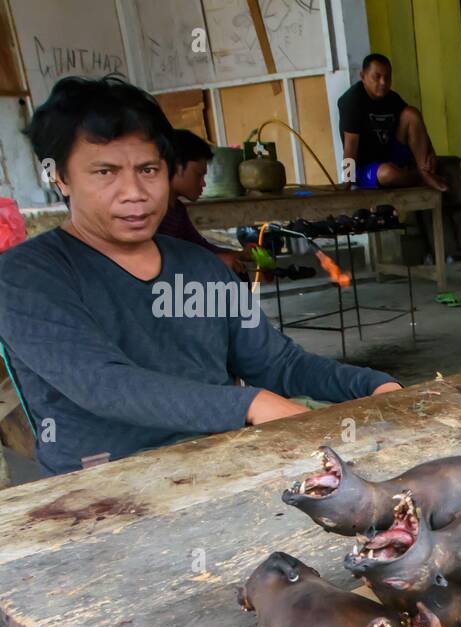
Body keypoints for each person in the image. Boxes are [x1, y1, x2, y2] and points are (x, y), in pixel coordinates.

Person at [0, 76, 401, 476]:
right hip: (103, 488)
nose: (134, 192)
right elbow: (102, 384)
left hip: (223, 461)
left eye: (148, 170)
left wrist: (371, 385)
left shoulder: (200, 266)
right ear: (61, 178)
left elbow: (277, 364)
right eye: (105, 173)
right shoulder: (26, 276)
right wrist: (250, 404)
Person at [337, 53, 448, 191]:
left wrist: (431, 152)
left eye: (387, 77)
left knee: (411, 113)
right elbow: (350, 145)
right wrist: (348, 180)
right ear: (363, 76)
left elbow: (416, 125)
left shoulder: (392, 98)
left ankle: (424, 170)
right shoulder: (352, 101)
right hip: (366, 167)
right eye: (377, 77)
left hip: (390, 155)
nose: (383, 82)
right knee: (388, 174)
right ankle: (421, 177)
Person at [157, 127, 246, 274]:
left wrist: (242, 254)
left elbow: (200, 247)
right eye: (199, 175)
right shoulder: (153, 212)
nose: (203, 184)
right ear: (178, 167)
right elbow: (160, 260)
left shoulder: (177, 209)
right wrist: (214, 261)